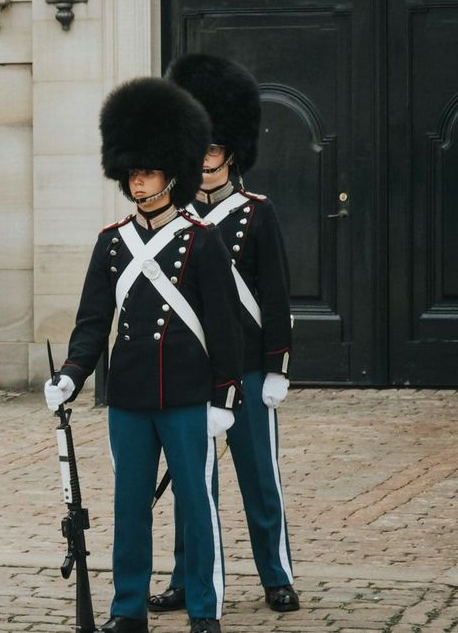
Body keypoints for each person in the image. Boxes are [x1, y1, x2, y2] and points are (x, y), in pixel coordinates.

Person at [44, 77, 244, 633]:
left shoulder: (202, 239)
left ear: (171, 174)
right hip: (130, 395)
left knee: (195, 507)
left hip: (185, 394)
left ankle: (203, 606)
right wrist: (71, 375)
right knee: (129, 507)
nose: (139, 180)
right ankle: (127, 607)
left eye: (148, 171)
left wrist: (225, 396)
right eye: (132, 171)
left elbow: (224, 328)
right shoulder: (112, 242)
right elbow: (92, 321)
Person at [151, 53, 298, 614]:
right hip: (195, 370)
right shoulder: (174, 220)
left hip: (251, 366)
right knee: (193, 487)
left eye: (214, 150)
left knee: (260, 479)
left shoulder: (256, 213)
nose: (206, 160)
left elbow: (278, 296)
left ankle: (275, 574)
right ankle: (188, 579)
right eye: (199, 149)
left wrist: (278, 366)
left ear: (229, 153)